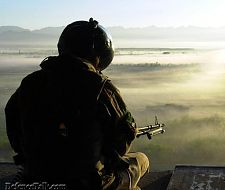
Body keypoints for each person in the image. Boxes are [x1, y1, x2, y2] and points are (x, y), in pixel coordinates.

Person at [5, 18, 149, 190]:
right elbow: (122, 141)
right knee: (142, 160)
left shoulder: (30, 82)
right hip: (86, 183)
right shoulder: (100, 87)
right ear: (99, 53)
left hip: (35, 177)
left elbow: (13, 125)